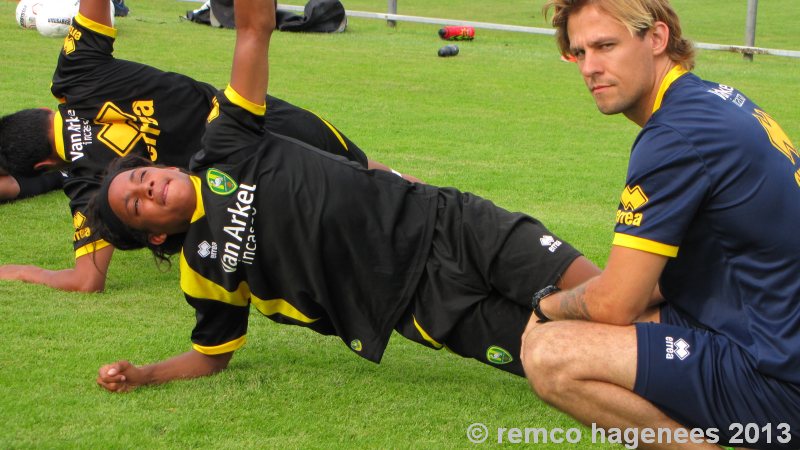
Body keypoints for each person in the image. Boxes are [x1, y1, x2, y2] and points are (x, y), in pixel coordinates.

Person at [91, 0, 600, 391]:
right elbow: (212, 354)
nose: (149, 187)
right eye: (136, 203)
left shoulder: (223, 143)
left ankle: (674, 332)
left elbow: (252, 31)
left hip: (445, 221)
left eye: (142, 176)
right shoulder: (202, 274)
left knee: (602, 293)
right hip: (416, 302)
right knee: (559, 351)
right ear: (154, 232)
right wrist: (144, 374)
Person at [521, 1, 800, 448]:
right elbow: (661, 283)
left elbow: (615, 303)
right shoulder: (713, 100)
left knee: (549, 352)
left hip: (780, 379)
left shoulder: (675, 135)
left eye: (606, 46)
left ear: (656, 38)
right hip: (766, 330)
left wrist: (544, 308)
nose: (591, 67)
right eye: (580, 53)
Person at [0, 0, 414, 293]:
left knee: (339, 222)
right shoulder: (74, 74)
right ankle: (438, 206)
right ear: (40, 108)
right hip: (250, 109)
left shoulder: (93, 190)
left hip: (246, 182)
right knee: (370, 172)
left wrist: (15, 271)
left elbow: (86, 281)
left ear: (42, 165)